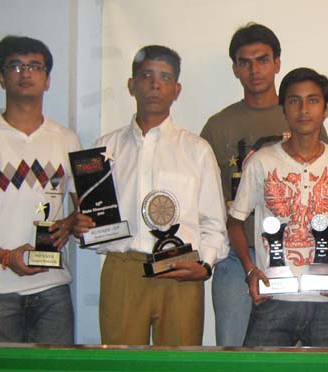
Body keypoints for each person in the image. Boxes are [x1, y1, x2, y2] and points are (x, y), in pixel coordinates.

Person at [73, 45, 228, 345]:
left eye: (165, 77)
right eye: (146, 76)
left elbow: (213, 222)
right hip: (123, 270)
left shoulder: (196, 150)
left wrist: (205, 265)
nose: (155, 85)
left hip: (180, 271)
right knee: (122, 365)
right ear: (131, 85)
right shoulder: (104, 149)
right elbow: (92, 222)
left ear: (176, 90)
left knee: (179, 366)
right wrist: (83, 228)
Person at [201, 23, 328, 346]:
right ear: (235, 69)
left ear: (277, 63)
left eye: (262, 60)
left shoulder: (302, 116)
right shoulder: (218, 126)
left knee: (291, 360)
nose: (254, 70)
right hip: (236, 256)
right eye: (245, 62)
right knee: (234, 352)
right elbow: (203, 195)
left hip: (296, 256)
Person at [227, 67, 328, 347]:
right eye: (294, 101)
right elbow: (235, 222)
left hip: (327, 300)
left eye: (313, 100)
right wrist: (250, 270)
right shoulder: (261, 162)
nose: (303, 110)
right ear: (283, 108)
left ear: (326, 108)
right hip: (274, 296)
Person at [0, 35, 80, 344]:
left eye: (35, 66)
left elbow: (85, 207)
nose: (25, 73)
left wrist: (70, 223)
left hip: (53, 289)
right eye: (15, 66)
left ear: (47, 79)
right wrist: (5, 256)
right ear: (1, 78)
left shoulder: (67, 139)